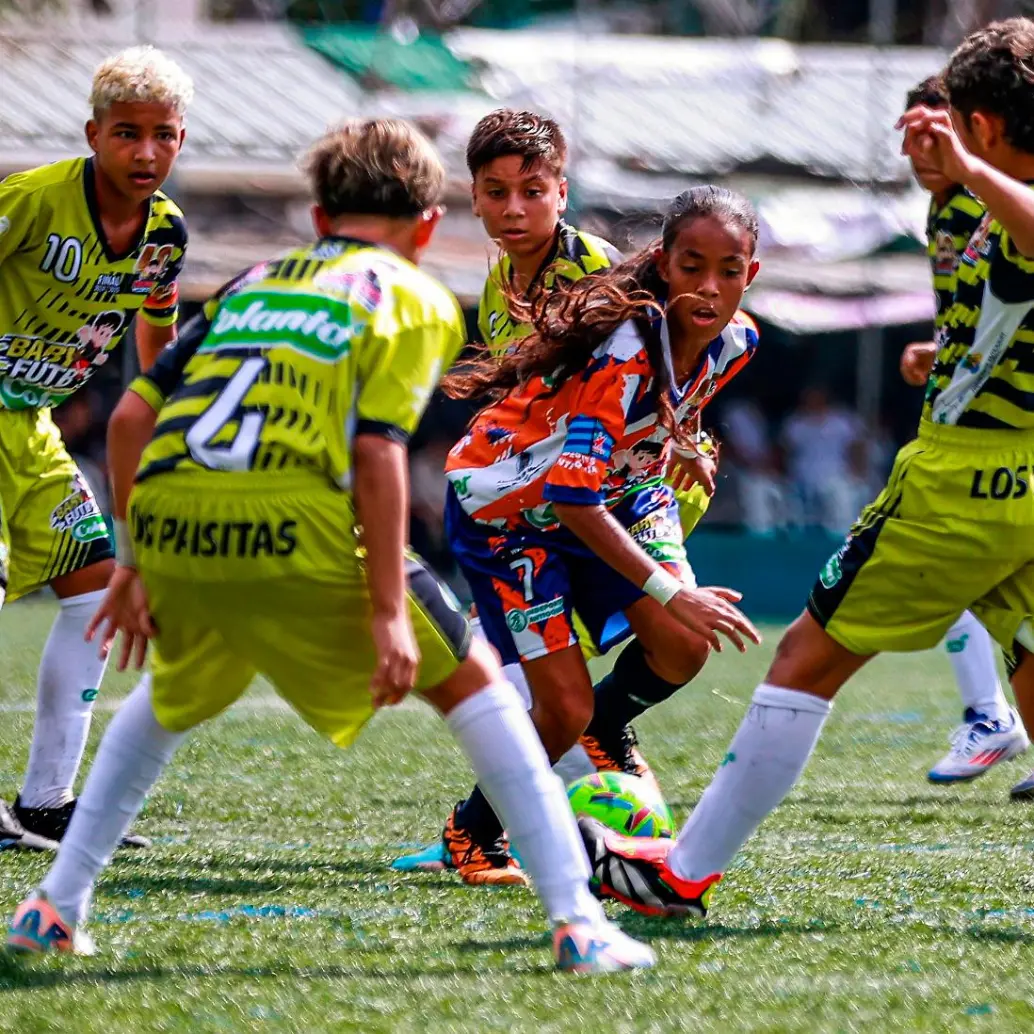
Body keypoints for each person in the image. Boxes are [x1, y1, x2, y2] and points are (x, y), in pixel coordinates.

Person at [4, 118, 654, 975]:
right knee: (480, 689)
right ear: (429, 226)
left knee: (167, 701)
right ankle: (578, 921)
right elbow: (376, 450)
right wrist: (390, 609)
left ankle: (54, 907)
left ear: (317, 218)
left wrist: (133, 561)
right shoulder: (410, 296)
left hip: (175, 519)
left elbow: (132, 414)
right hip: (296, 519)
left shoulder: (254, 278)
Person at [577, 18, 1034, 919]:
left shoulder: (1000, 191)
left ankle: (680, 873)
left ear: (979, 127)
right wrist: (941, 352)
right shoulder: (967, 207)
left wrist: (979, 173)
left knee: (806, 655)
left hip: (965, 481)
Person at [393, 110, 716, 879]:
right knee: (550, 703)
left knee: (683, 644)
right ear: (472, 196)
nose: (513, 209)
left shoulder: (601, 275)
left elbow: (668, 358)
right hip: (531, 509)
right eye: (496, 192)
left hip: (620, 489)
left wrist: (683, 437)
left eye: (532, 191)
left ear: (561, 192)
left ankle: (608, 726)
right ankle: (478, 831)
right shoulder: (500, 281)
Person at [0, 46, 191, 851]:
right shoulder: (32, 201)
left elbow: (158, 347)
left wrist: (174, 435)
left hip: (28, 424)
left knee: (94, 590)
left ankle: (44, 804)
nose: (145, 153)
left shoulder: (164, 235)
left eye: (163, 135)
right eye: (126, 134)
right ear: (92, 133)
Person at [900, 73, 1028, 784]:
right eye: (911, 134)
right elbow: (976, 313)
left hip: (995, 426)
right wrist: (938, 346)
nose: (923, 150)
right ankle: (991, 715)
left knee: (949, 565)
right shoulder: (947, 206)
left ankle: (990, 716)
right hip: (973, 413)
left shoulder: (979, 202)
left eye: (936, 130)